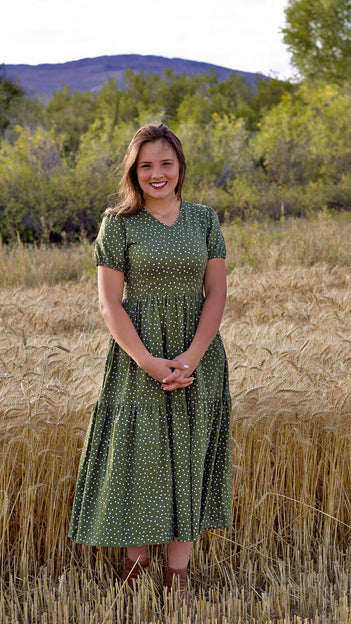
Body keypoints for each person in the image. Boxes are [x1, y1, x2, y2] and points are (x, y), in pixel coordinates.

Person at [68, 122, 232, 608]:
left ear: (180, 166)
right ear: (133, 171)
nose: (157, 173)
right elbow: (109, 304)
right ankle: (134, 572)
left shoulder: (204, 219)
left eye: (165, 163)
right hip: (137, 359)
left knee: (191, 456)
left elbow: (217, 292)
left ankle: (177, 575)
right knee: (140, 460)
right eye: (146, 165)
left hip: (198, 356)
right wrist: (150, 363)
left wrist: (191, 358)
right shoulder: (117, 223)